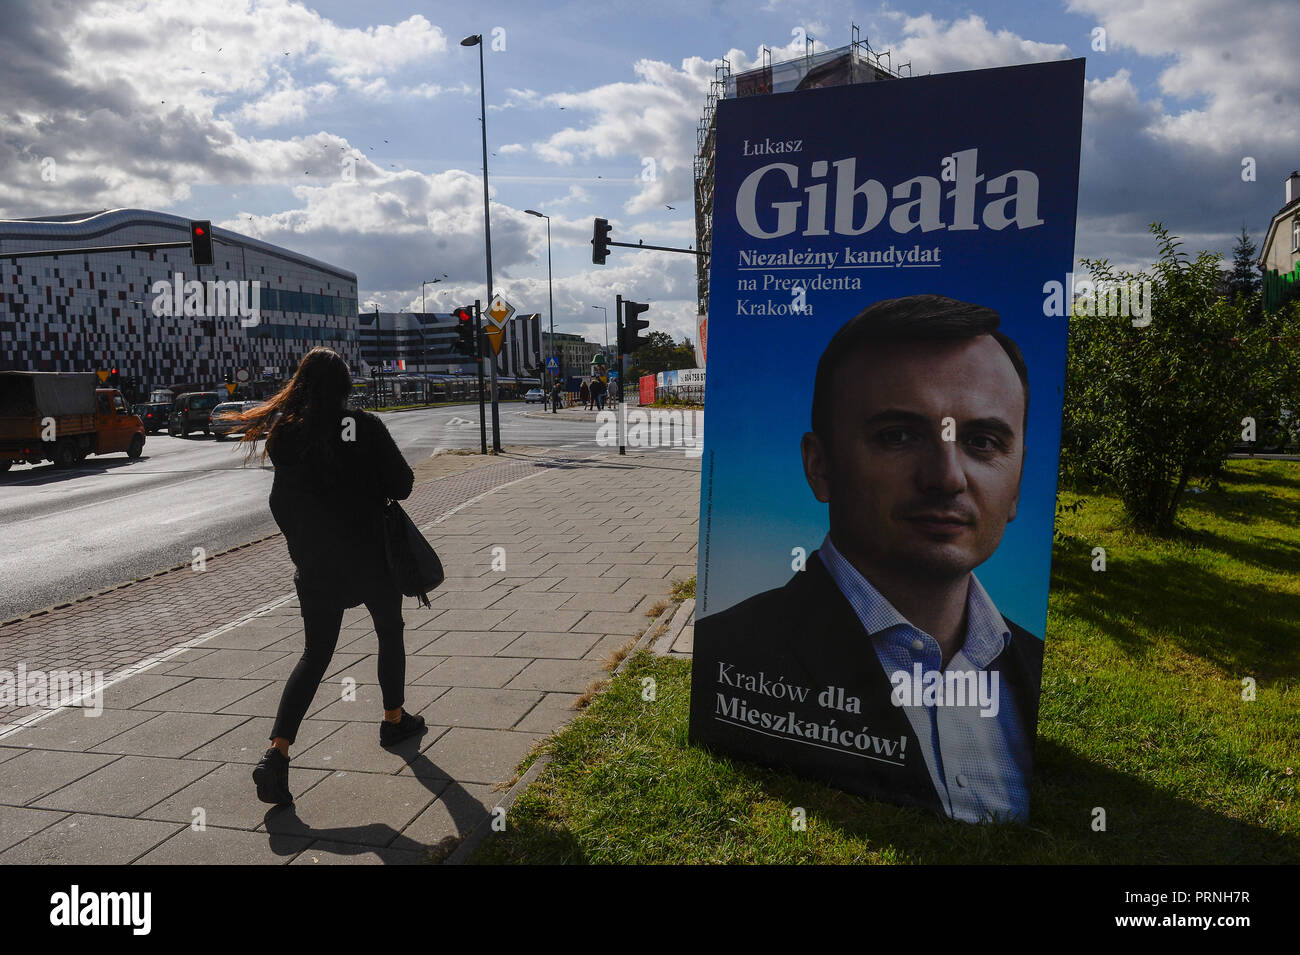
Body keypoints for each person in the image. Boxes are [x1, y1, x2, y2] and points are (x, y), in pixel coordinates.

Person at [690, 294, 1041, 824]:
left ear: (1016, 484)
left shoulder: (1032, 663)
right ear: (821, 466)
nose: (947, 478)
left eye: (982, 440)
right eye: (898, 436)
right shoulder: (729, 652)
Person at [237, 347, 426, 806]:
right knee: (389, 632)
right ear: (345, 387)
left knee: (315, 655)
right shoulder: (362, 426)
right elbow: (402, 484)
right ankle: (393, 719)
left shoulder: (286, 434)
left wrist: (304, 548)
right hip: (372, 558)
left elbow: (280, 503)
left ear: (299, 385)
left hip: (318, 565)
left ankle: (276, 756)